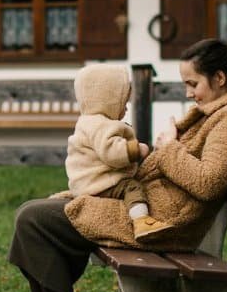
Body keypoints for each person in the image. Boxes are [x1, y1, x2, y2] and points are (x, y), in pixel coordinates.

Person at [6, 36, 227, 292]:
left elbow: (208, 182)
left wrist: (168, 147)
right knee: (33, 215)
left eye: (192, 84)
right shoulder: (214, 114)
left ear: (220, 79)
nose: (188, 93)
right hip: (146, 208)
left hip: (163, 222)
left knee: (33, 221)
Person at [62, 64, 167, 240]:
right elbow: (112, 153)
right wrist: (136, 149)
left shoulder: (87, 121)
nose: (125, 109)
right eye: (123, 103)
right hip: (101, 183)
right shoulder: (100, 125)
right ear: (106, 100)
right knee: (132, 187)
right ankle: (142, 221)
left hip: (85, 182)